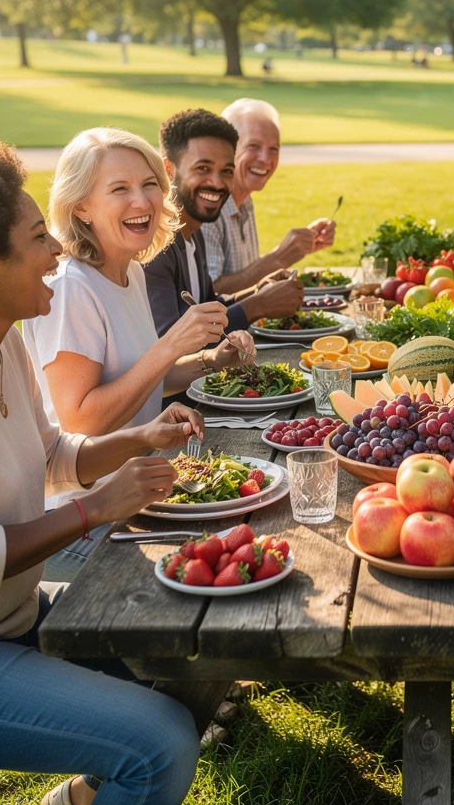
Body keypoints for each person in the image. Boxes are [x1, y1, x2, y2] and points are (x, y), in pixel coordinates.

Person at [0, 137, 203, 805]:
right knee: (159, 744)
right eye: (36, 237)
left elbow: (50, 454)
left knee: (190, 652)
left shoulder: (2, 338)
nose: (55, 250)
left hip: (7, 617)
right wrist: (95, 511)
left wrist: (138, 438)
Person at [22, 128, 255, 579]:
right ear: (81, 206)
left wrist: (210, 360)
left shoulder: (126, 271)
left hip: (142, 495)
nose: (142, 202)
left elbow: (140, 378)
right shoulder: (70, 288)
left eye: (149, 185)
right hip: (83, 521)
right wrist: (170, 345)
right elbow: (81, 420)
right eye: (120, 189)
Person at [144, 108, 304, 341]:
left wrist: (257, 291)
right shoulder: (155, 245)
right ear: (168, 170)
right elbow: (172, 342)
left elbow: (207, 305)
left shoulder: (192, 231)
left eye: (226, 171)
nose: (217, 183)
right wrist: (257, 305)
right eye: (203, 169)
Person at [199, 98, 336, 295]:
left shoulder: (244, 200)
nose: (266, 159)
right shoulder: (209, 208)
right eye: (253, 146)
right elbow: (211, 292)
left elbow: (244, 274)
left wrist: (295, 249)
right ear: (227, 149)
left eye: (274, 149)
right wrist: (279, 257)